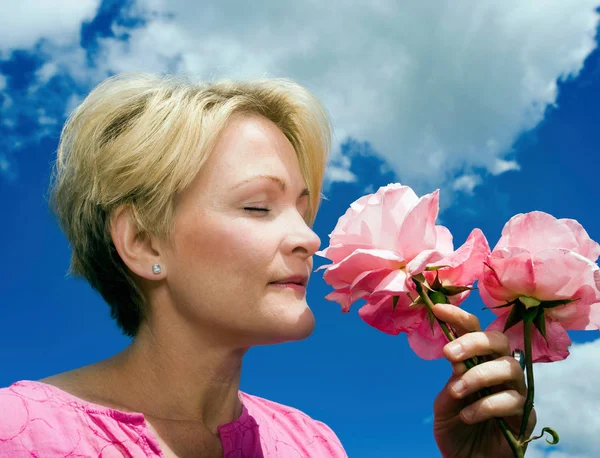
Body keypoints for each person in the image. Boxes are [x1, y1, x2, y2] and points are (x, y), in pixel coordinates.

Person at [0, 74, 534, 457]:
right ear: (143, 243)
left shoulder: (312, 444)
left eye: (304, 210)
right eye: (258, 206)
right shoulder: (19, 434)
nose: (308, 237)